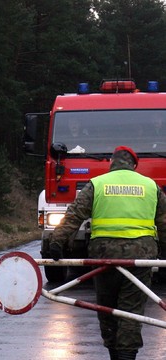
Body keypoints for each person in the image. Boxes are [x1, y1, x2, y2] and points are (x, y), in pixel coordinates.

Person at [49, 146, 166, 360]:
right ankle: (127, 356)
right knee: (130, 311)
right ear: (133, 165)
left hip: (104, 257)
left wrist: (57, 242)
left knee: (106, 307)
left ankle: (113, 352)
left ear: (112, 163)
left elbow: (74, 215)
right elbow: (164, 223)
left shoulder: (98, 184)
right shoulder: (151, 186)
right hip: (139, 258)